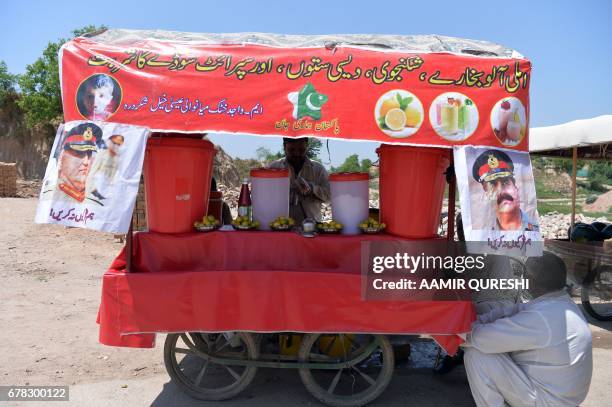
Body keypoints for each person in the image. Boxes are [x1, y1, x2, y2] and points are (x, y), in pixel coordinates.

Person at [463, 252, 592, 407]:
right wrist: (478, 320)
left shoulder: (542, 317)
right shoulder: (561, 303)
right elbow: (514, 311)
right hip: (562, 397)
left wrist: (457, 332)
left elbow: (483, 338)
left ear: (532, 280)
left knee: (476, 355)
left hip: (549, 401)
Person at [471, 150, 539, 232]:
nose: (500, 191)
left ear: (516, 188)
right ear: (486, 194)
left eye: (505, 182)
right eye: (493, 185)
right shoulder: (483, 234)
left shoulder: (535, 231)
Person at [268, 137, 330, 223]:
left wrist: (313, 189)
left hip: (311, 228)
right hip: (280, 227)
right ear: (284, 147)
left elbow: (330, 195)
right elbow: (265, 196)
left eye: (301, 150)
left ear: (307, 147)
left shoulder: (318, 169)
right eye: (291, 150)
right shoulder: (274, 168)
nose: (296, 154)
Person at [43, 123, 103, 203]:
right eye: (79, 153)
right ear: (61, 157)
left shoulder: (97, 198)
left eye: (89, 154)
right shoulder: (50, 196)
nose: (86, 162)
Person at [86, 134, 124, 203]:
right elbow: (92, 172)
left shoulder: (118, 158)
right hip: (96, 189)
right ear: (109, 142)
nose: (116, 146)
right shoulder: (102, 154)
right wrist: (92, 190)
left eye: (118, 144)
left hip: (110, 190)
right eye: (114, 143)